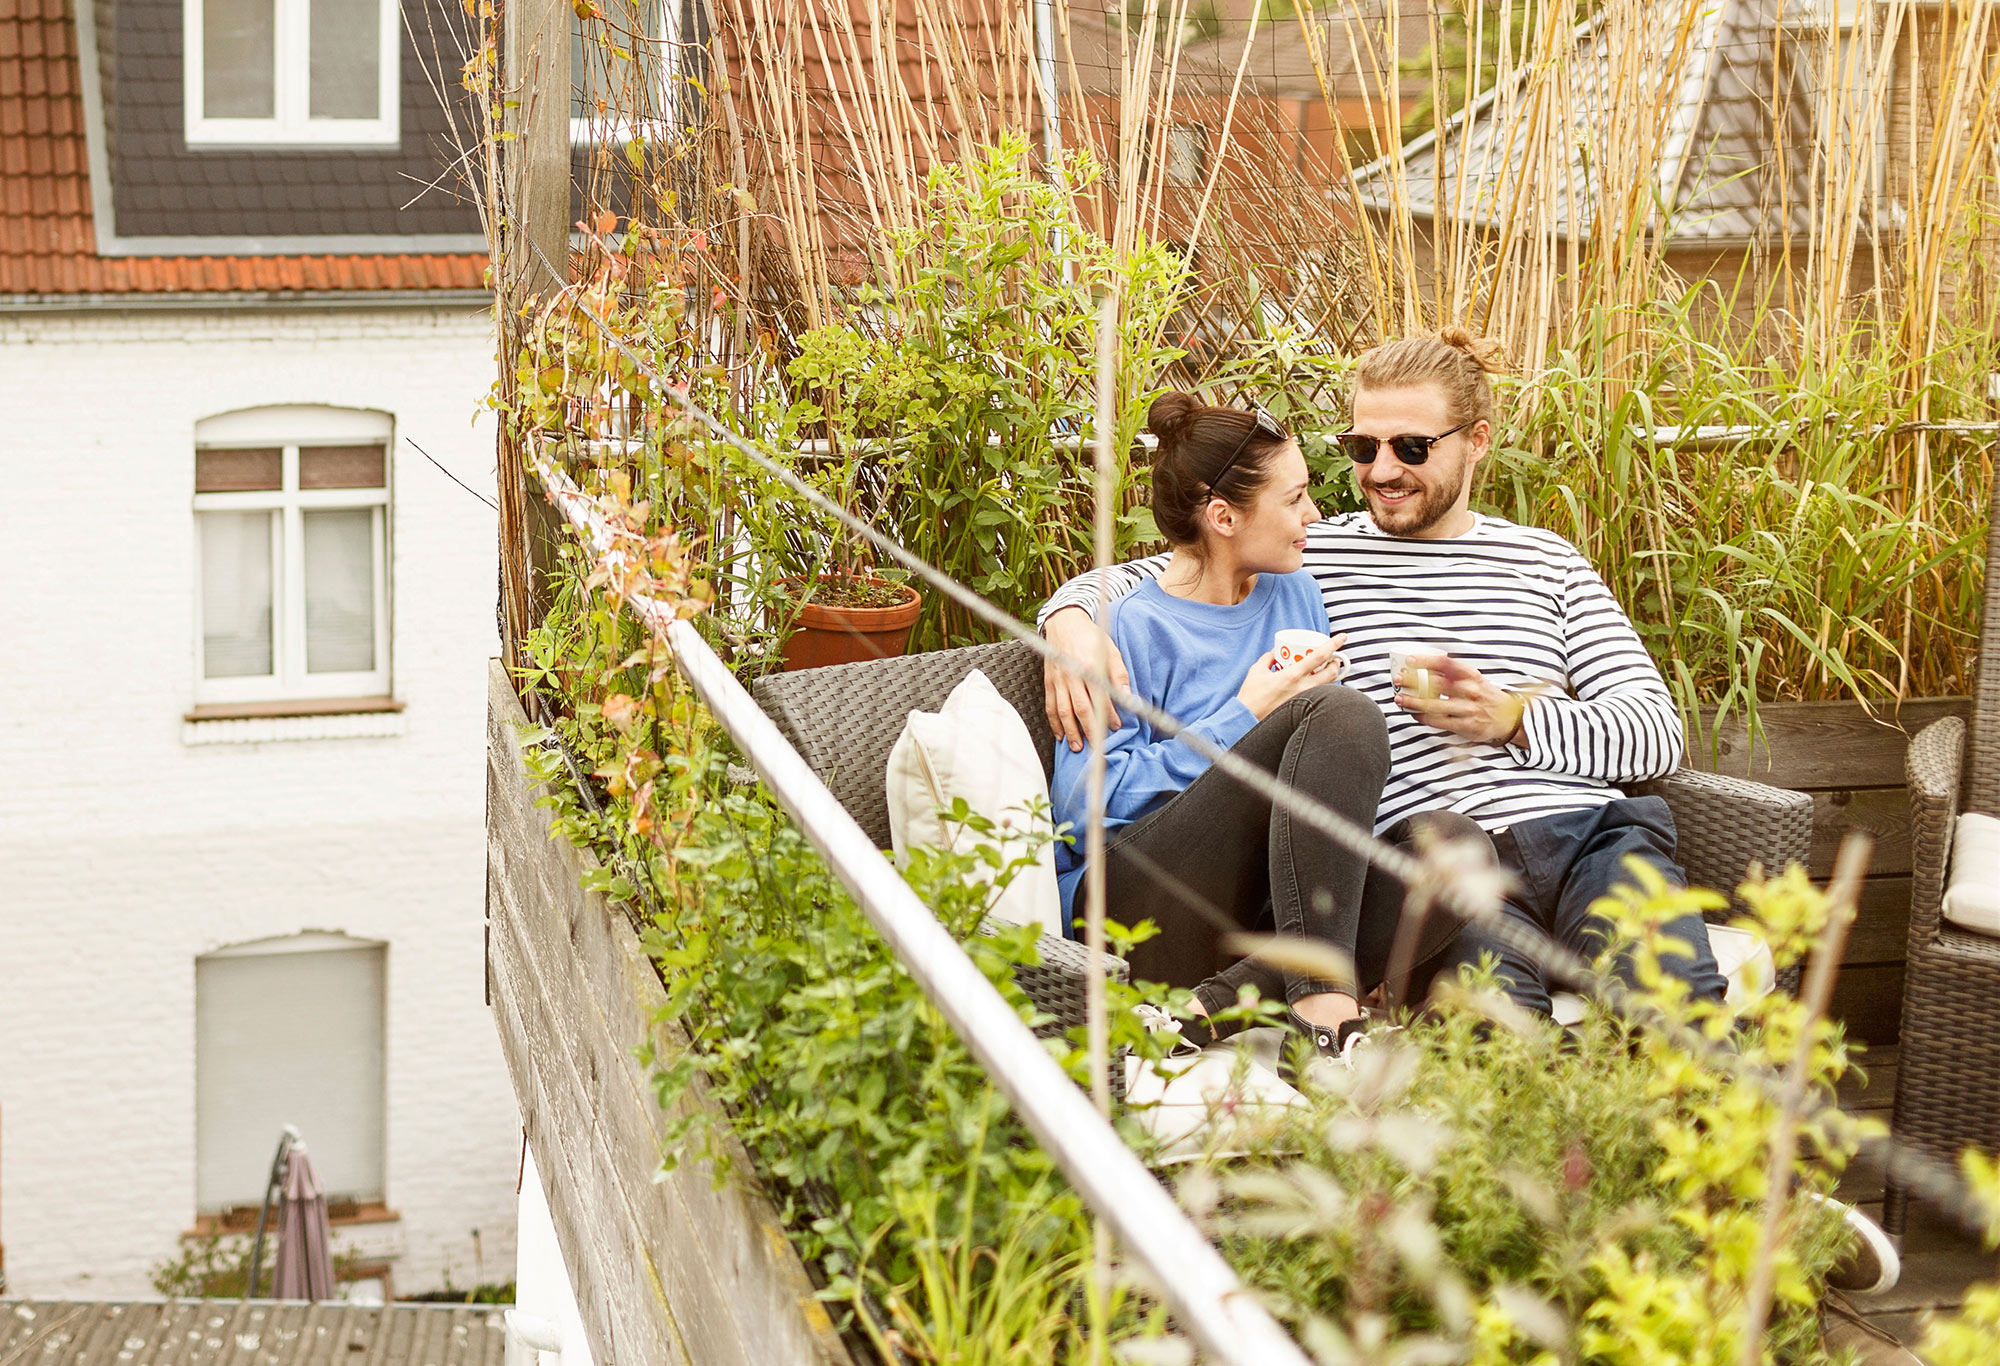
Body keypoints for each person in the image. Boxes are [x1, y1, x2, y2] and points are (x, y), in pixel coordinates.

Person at [1042, 329, 1731, 1018]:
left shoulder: (1548, 562)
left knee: (1683, 1014)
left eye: (1411, 447)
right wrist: (1069, 617)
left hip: (1589, 835)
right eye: (1362, 447)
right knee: (1503, 1045)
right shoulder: (1310, 553)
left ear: (1478, 440)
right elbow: (1184, 566)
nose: (1380, 471)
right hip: (1442, 859)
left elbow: (1654, 732)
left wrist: (1514, 720)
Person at [1051, 391, 1472, 1064]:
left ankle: (1215, 1007)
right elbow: (1083, 813)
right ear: (1223, 516)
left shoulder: (1295, 589)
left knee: (1458, 849)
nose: (1315, 514)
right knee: (1339, 712)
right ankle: (1328, 1012)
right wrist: (1246, 715)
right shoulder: (1130, 629)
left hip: (1257, 914)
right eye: (1295, 498)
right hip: (1135, 910)